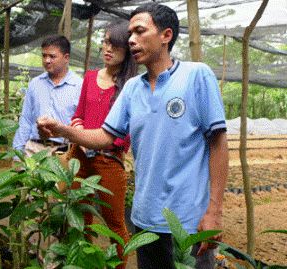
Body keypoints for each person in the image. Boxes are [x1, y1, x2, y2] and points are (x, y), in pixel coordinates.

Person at [36, 3, 229, 269]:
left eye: (139, 31)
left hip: (188, 222)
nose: (131, 40)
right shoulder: (131, 89)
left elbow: (218, 142)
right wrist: (62, 130)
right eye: (130, 33)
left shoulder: (196, 75)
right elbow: (105, 137)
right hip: (144, 220)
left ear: (166, 35)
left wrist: (214, 212)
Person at [69, 21, 139, 269]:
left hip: (109, 161)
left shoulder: (132, 86)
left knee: (115, 222)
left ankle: (118, 266)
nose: (106, 48)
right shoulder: (89, 77)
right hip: (79, 157)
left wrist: (98, 141)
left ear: (127, 50)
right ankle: (83, 262)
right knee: (80, 216)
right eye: (105, 42)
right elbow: (79, 114)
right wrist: (78, 128)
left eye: (114, 44)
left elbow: (126, 134)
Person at [12, 35, 83, 160]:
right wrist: (16, 155)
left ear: (66, 57)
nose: (47, 60)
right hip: (34, 150)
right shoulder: (35, 84)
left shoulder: (79, 86)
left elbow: (83, 124)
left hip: (65, 153)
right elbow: (26, 120)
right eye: (44, 55)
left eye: (52, 56)